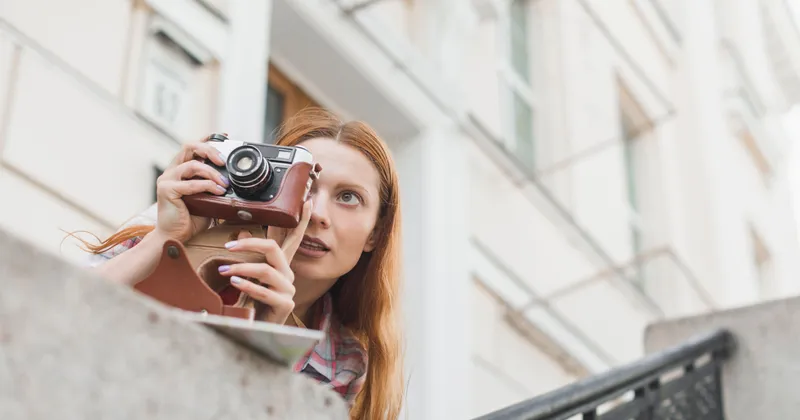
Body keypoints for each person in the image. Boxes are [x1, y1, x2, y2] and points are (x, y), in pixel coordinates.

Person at [79, 108, 405, 419]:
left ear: (375, 233)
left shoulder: (342, 362)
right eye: (306, 185)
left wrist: (263, 340)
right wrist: (164, 238)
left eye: (348, 197)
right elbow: (63, 307)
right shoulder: (172, 233)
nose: (317, 213)